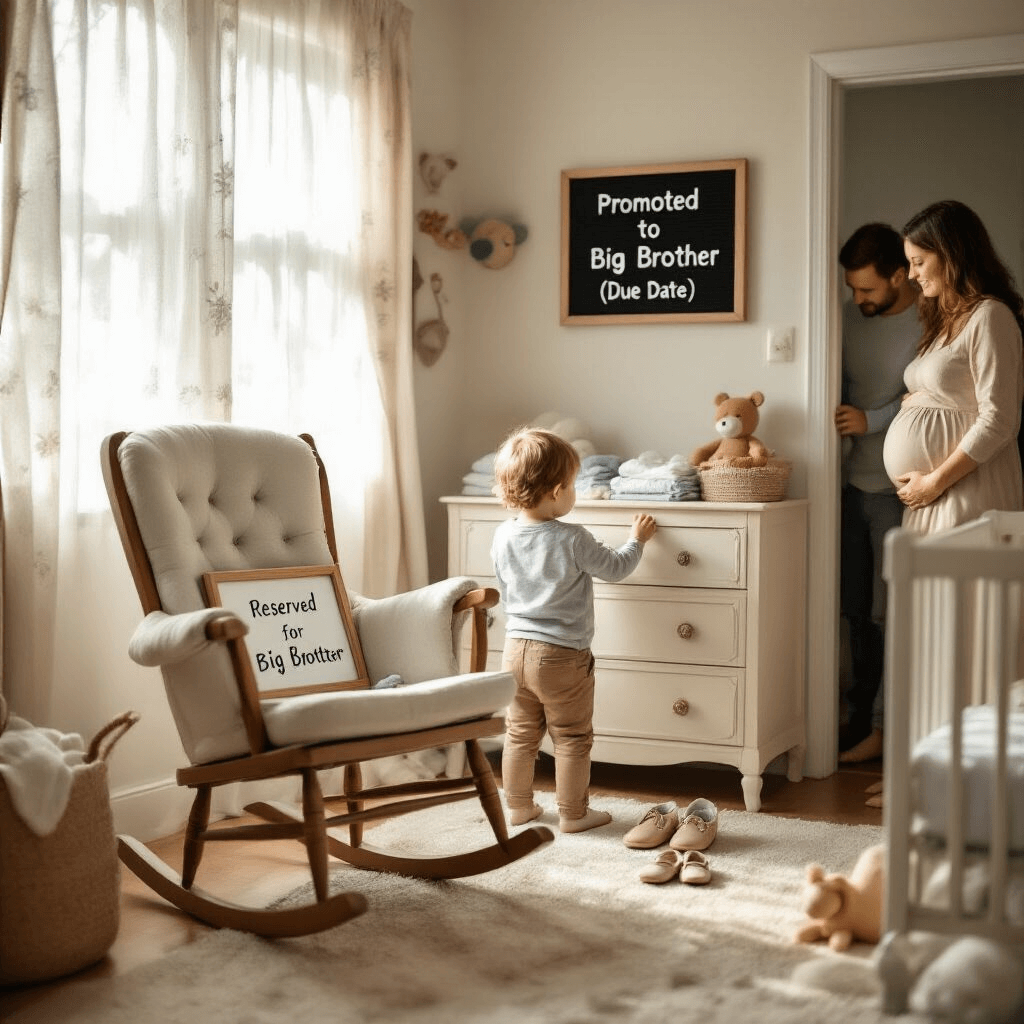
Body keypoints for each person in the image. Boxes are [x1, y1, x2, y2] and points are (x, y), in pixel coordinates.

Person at [869, 200, 1024, 808]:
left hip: (968, 495)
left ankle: (965, 786)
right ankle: (923, 774)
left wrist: (936, 479)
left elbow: (999, 419)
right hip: (932, 498)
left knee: (972, 635)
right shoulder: (948, 322)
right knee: (930, 634)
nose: (910, 275)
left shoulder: (992, 319)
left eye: (918, 261)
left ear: (952, 254)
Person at [490, 427, 657, 833]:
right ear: (557, 490)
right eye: (574, 486)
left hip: (514, 651)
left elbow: (506, 586)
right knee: (571, 738)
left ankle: (518, 807)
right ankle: (573, 813)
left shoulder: (503, 534)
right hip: (562, 656)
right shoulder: (572, 538)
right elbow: (616, 568)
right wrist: (637, 540)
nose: (574, 494)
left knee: (521, 734)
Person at [834, 223, 920, 763]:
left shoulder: (930, 320)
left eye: (867, 289)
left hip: (898, 488)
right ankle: (858, 719)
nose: (857, 298)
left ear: (898, 274)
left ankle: (887, 729)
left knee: (890, 612)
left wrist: (871, 419)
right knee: (854, 611)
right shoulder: (845, 319)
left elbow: (926, 397)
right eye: (852, 289)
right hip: (850, 483)